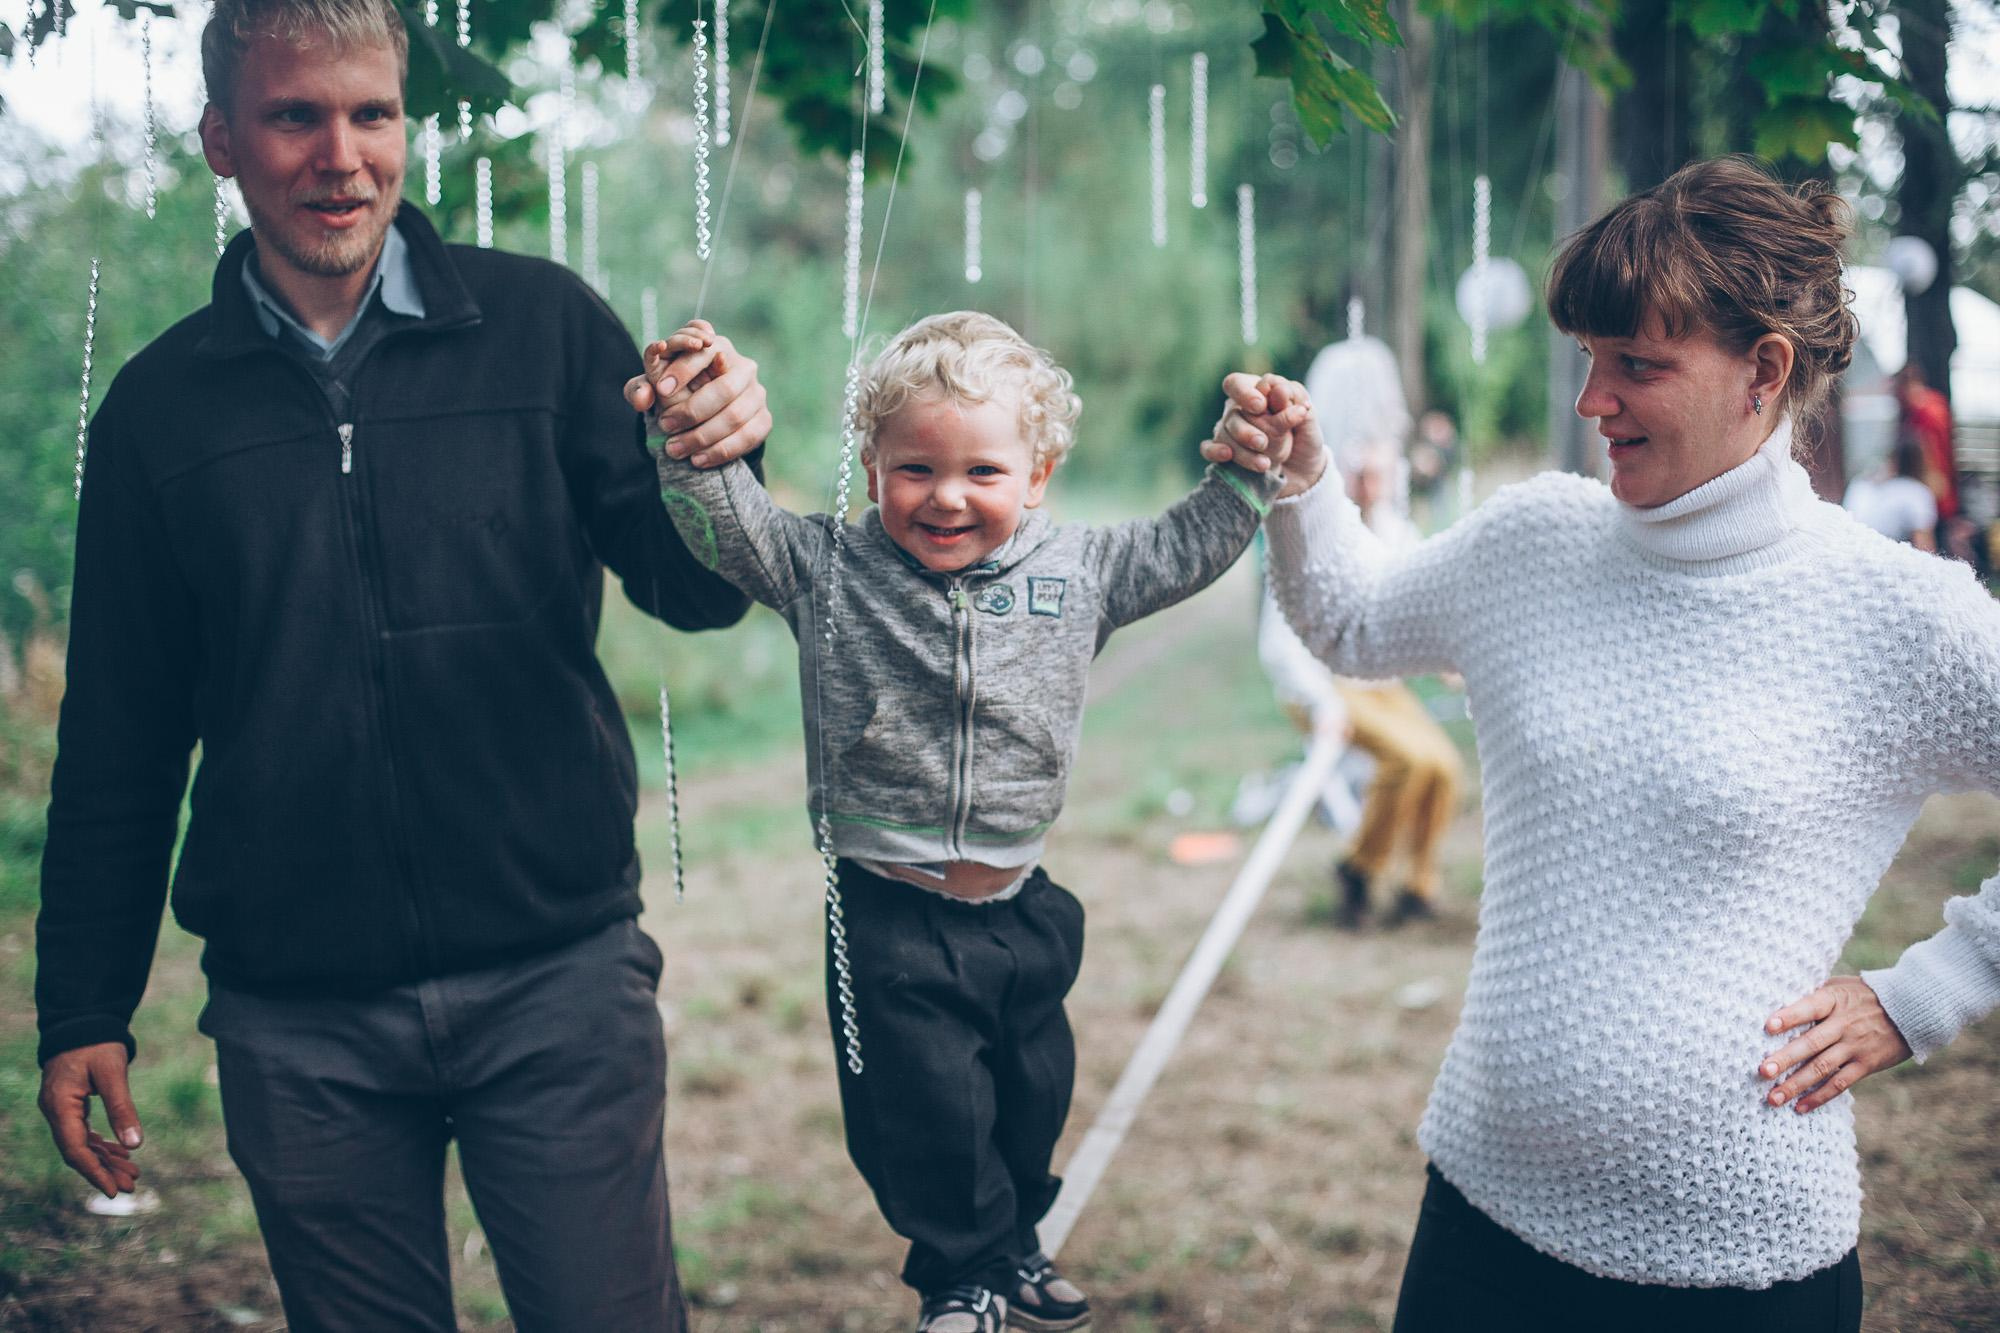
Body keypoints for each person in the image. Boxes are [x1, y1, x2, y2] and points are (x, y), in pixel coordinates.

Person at [34, 1, 770, 1328]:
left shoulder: (549, 332)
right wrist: (82, 1006)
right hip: (297, 1024)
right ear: (220, 139)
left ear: (406, 126)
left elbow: (700, 591)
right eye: (294, 116)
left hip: (558, 985)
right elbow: (120, 739)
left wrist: (724, 463)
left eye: (371, 113)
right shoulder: (157, 411)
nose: (341, 156)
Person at [1208, 156, 2000, 1330]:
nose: (1591, 402)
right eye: (1588, 357)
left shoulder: (1896, 616)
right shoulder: (1537, 538)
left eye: (1635, 365)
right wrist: (1305, 482)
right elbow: (1352, 619)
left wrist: (1925, 991)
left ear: (1761, 372)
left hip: (1738, 1268)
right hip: (1480, 1215)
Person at [640, 311, 1284, 1333]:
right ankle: (960, 1276)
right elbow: (723, 521)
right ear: (870, 463)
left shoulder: (1080, 573)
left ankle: (1009, 1245)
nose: (945, 496)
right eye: (914, 469)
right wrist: (682, 433)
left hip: (1022, 903)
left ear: (1037, 473)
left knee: (1029, 1093)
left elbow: (1186, 543)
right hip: (888, 914)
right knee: (926, 1114)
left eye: (981, 471)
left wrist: (1250, 470)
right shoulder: (826, 571)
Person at [1843, 436, 1939, 551]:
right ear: (1922, 462)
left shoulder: (1861, 484)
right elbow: (1924, 546)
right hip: (1881, 555)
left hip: (1849, 549)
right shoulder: (1917, 492)